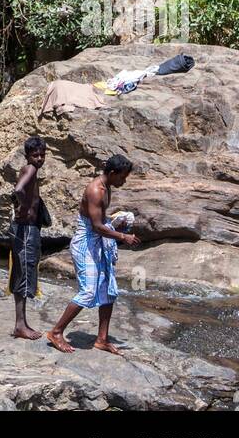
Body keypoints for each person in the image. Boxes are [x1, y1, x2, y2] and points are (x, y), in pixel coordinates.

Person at [46, 154, 141, 355]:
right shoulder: (95, 190)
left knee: (107, 289)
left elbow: (100, 218)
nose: (124, 181)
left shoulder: (108, 188)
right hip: (85, 244)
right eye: (122, 177)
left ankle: (102, 339)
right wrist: (123, 237)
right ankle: (55, 332)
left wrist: (116, 223)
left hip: (97, 242)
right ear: (112, 173)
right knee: (88, 291)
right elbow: (96, 226)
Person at [9, 135, 48, 340]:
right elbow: (18, 190)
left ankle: (22, 323)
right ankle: (19, 325)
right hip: (24, 230)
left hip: (26, 228)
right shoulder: (30, 169)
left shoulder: (31, 170)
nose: (39, 159)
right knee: (24, 273)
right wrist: (22, 206)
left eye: (42, 155)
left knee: (23, 272)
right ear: (27, 156)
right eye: (35, 155)